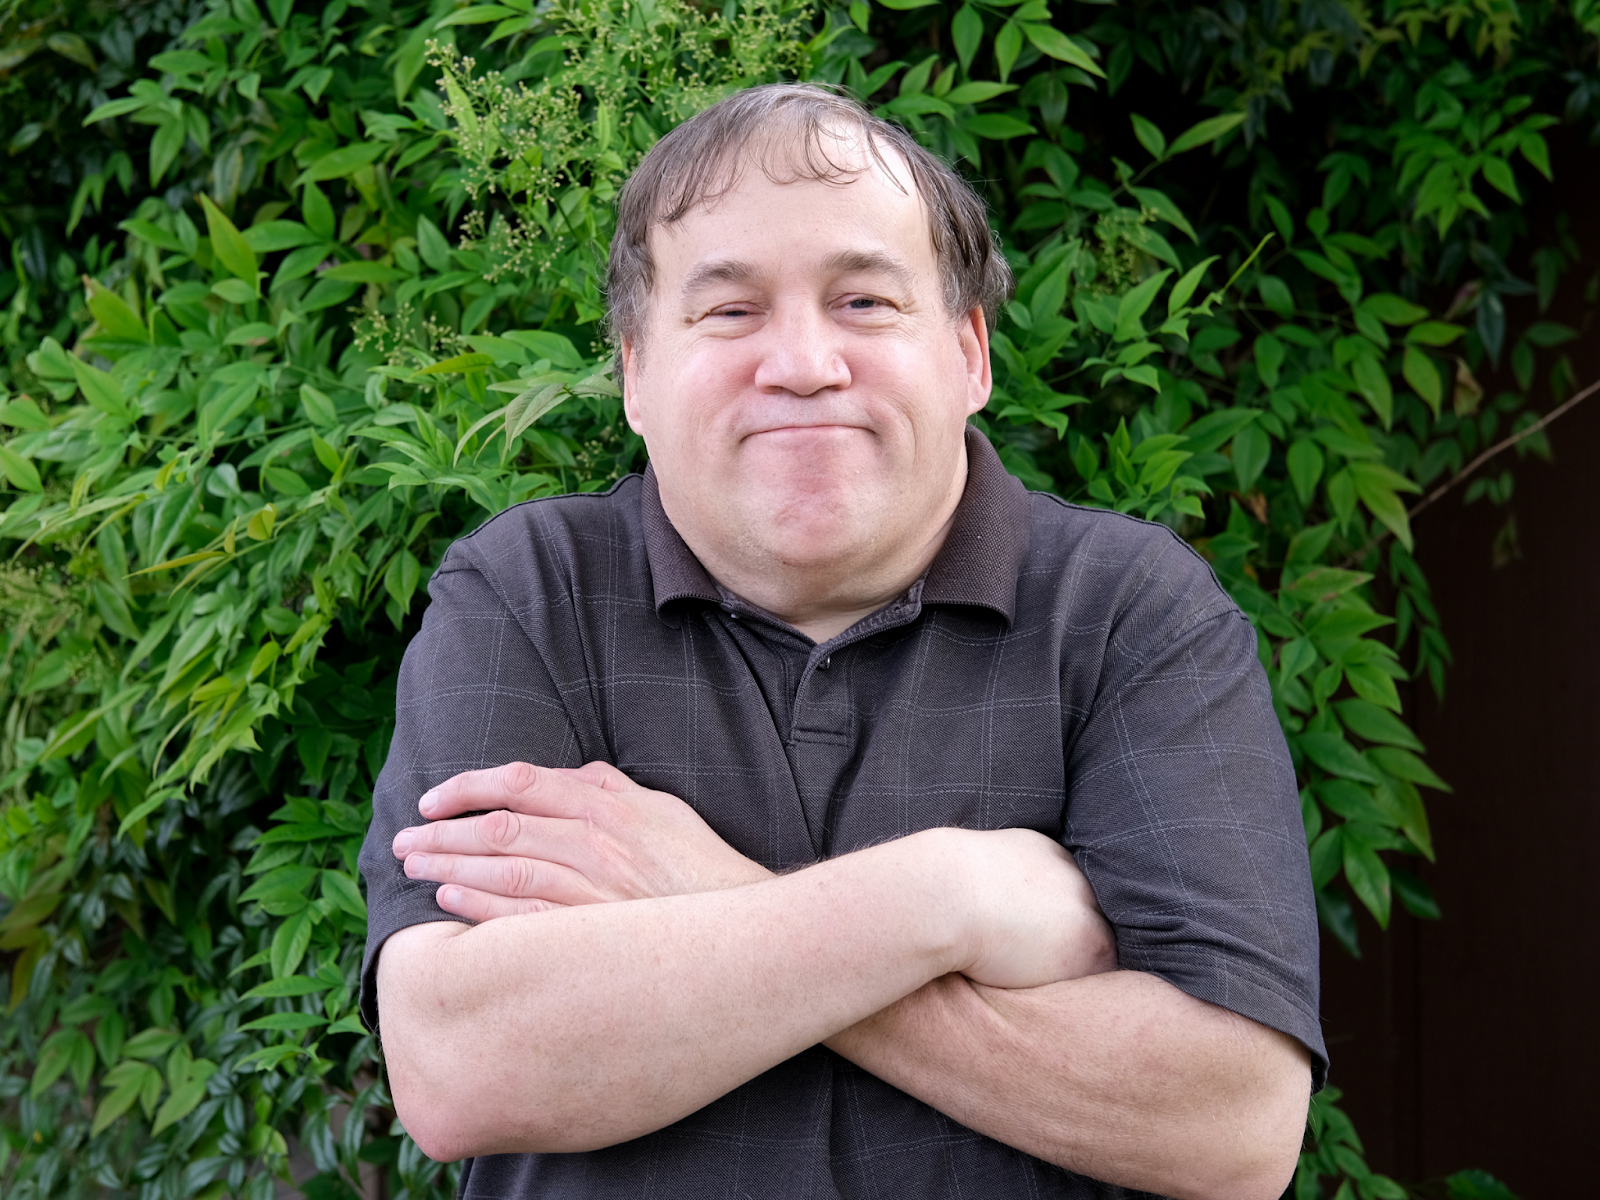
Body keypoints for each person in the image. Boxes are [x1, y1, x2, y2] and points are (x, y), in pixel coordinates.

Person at [358, 83, 1326, 1200]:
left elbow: (1233, 1121)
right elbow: (461, 1064)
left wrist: (702, 889)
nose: (804, 363)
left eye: (864, 301)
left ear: (968, 354)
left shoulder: (1129, 615)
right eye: (730, 311)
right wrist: (945, 897)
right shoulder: (527, 594)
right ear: (632, 371)